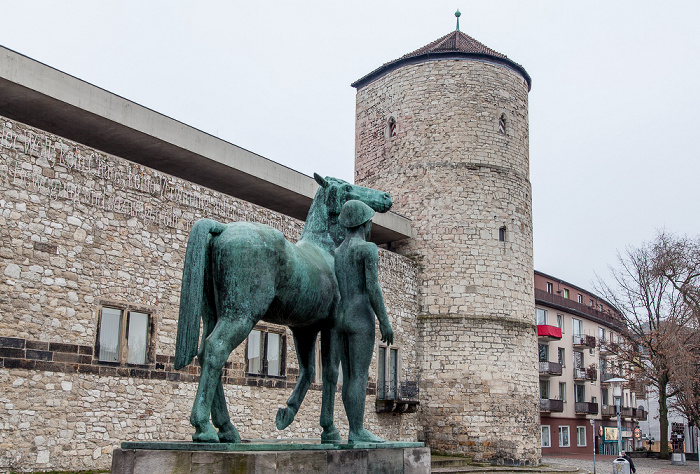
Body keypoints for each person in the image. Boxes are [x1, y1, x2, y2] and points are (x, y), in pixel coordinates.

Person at [334, 200, 394, 443]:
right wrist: (385, 321)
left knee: (348, 378)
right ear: (364, 224)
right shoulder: (367, 249)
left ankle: (353, 428)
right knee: (359, 377)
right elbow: (373, 288)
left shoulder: (337, 252)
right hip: (360, 317)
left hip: (340, 316)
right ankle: (356, 430)